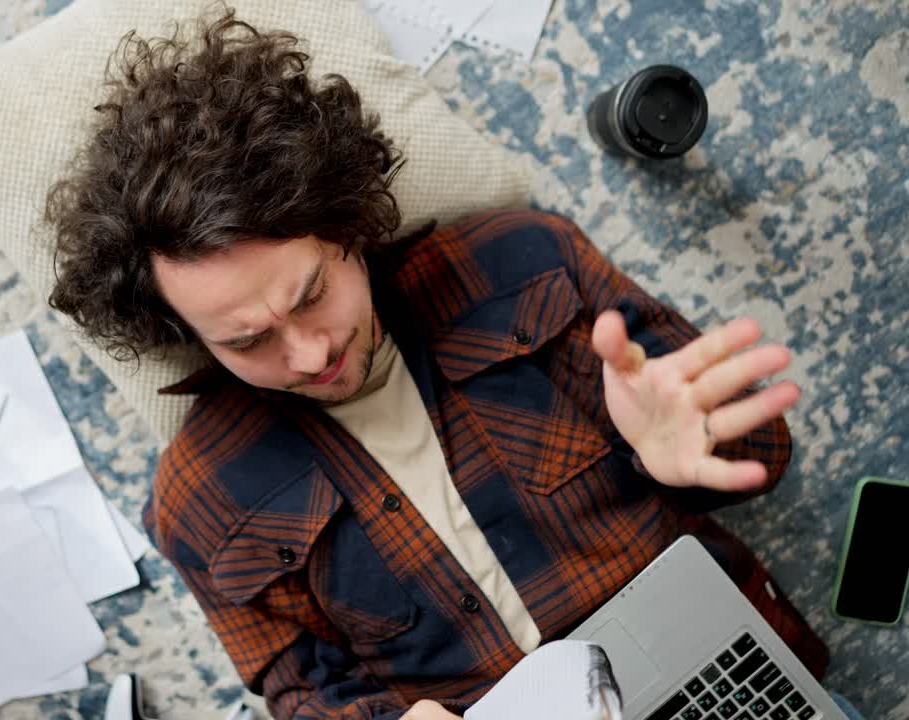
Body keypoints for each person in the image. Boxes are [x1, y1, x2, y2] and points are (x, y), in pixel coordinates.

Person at [46, 11, 840, 720]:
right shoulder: (199, 499)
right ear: (183, 331)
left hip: (708, 680)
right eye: (248, 341)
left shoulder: (525, 264)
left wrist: (676, 453)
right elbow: (300, 688)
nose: (310, 353)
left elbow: (764, 458)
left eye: (313, 294)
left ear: (347, 226)